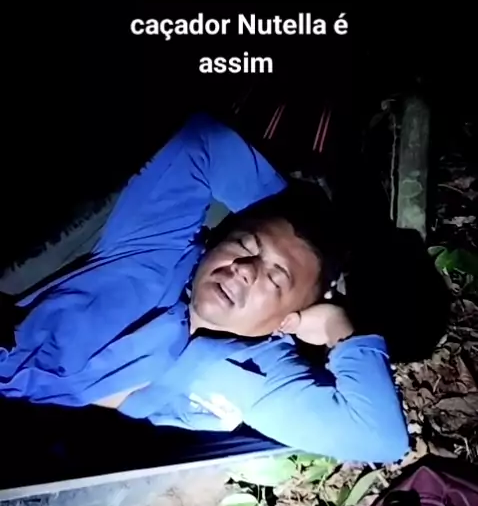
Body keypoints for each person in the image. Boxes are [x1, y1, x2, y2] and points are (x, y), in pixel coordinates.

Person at [0, 114, 409, 463]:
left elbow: (380, 439)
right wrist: (282, 208)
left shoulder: (252, 372)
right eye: (246, 246)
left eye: (275, 278)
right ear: (217, 241)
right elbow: (205, 144)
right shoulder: (157, 246)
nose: (245, 270)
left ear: (286, 321)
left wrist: (339, 329)